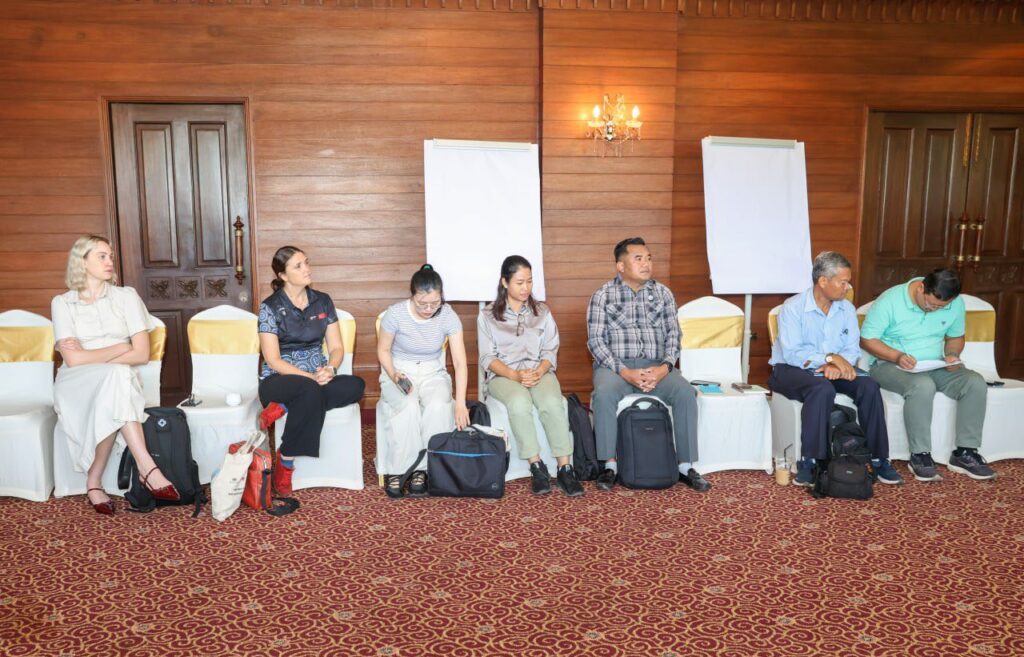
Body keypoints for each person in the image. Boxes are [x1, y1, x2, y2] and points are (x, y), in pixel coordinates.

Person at [51, 235, 178, 515]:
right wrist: (120, 347)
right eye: (102, 256)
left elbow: (141, 354)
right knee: (117, 377)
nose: (110, 262)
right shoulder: (62, 303)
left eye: (110, 256)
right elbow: (72, 361)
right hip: (76, 382)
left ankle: (95, 480)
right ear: (82, 262)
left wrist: (89, 354)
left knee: (116, 379)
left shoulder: (126, 296)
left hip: (116, 378)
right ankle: (147, 468)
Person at [768, 251, 902, 486]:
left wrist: (836, 364)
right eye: (843, 282)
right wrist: (829, 359)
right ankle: (811, 460)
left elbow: (852, 349)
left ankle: (879, 458)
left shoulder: (846, 308)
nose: (847, 287)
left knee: (869, 386)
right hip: (791, 369)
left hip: (835, 369)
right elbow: (792, 353)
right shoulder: (793, 308)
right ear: (823, 281)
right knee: (822, 389)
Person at [586, 237, 708, 492]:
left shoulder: (663, 293)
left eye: (649, 258)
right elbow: (595, 341)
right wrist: (624, 371)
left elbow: (674, 336)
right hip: (615, 367)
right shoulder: (603, 295)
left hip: (657, 366)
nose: (646, 264)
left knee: (685, 393)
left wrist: (664, 368)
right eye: (638, 259)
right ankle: (609, 465)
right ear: (621, 266)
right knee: (604, 394)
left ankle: (685, 465)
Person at [860, 268, 995, 482]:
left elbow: (955, 337)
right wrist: (897, 356)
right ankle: (920, 455)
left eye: (941, 307)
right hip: (889, 364)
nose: (934, 310)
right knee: (922, 385)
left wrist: (952, 355)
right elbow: (867, 340)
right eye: (931, 304)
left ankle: (965, 452)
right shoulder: (890, 301)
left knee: (974, 382)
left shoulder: (955, 304)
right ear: (921, 287)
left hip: (935, 364)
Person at [257, 246, 366, 496]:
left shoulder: (323, 301)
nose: (307, 269)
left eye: (306, 262)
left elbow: (337, 347)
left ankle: (284, 407)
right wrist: (311, 378)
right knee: (309, 390)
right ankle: (286, 463)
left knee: (356, 385)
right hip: (279, 380)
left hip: (317, 378)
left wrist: (331, 368)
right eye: (298, 266)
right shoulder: (269, 307)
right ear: (283, 275)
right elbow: (273, 360)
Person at [478, 256, 584, 497]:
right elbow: (487, 357)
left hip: (539, 371)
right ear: (504, 282)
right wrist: (514, 375)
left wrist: (540, 370)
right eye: (519, 282)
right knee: (519, 402)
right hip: (503, 376)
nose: (525, 288)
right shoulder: (488, 315)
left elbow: (550, 349)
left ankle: (565, 468)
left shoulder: (542, 312)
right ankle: (537, 466)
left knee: (552, 402)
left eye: (529, 281)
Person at [377, 265, 469, 499]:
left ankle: (423, 469)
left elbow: (460, 363)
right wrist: (393, 374)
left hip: (433, 371)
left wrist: (460, 403)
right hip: (399, 371)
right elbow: (383, 350)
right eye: (422, 304)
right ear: (412, 296)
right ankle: (399, 469)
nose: (429, 309)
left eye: (435, 303)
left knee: (439, 405)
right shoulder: (396, 314)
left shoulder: (447, 315)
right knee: (408, 407)